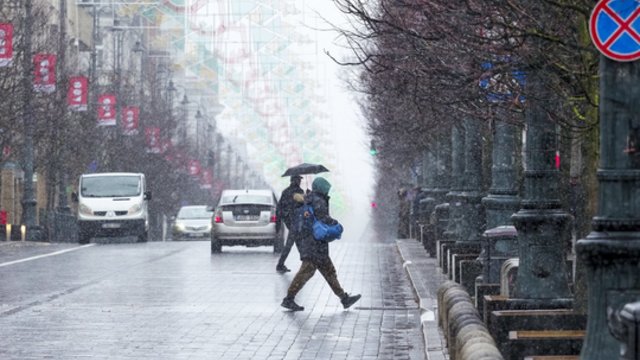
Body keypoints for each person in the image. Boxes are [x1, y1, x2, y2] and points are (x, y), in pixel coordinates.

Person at [281, 177, 361, 311]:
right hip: (314, 245)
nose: (328, 190)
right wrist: (335, 223)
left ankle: (344, 298)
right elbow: (322, 218)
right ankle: (289, 299)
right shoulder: (318, 200)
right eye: (326, 187)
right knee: (307, 271)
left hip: (314, 243)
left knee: (328, 271)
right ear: (321, 188)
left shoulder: (311, 198)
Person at [275, 175, 305, 273]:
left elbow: (279, 208)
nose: (300, 182)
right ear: (295, 181)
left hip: (289, 220)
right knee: (293, 242)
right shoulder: (299, 192)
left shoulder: (286, 191)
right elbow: (303, 206)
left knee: (297, 241)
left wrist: (278, 223)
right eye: (299, 180)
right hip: (295, 221)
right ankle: (305, 263)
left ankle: (305, 263)